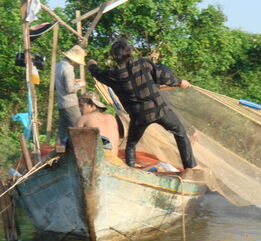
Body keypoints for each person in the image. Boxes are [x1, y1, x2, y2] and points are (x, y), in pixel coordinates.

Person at [87, 38, 197, 173]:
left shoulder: (113, 74)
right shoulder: (143, 63)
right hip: (159, 109)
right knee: (180, 133)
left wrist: (91, 64)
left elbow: (97, 73)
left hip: (139, 116)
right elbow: (163, 76)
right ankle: (190, 168)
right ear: (129, 52)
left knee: (131, 144)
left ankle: (130, 172)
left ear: (115, 57)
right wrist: (180, 82)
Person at [55, 45, 86, 145]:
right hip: (70, 104)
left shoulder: (59, 64)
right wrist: (80, 84)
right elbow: (69, 88)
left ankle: (56, 155)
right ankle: (81, 153)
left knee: (62, 133)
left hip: (61, 103)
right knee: (78, 130)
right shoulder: (69, 69)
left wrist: (74, 81)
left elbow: (61, 82)